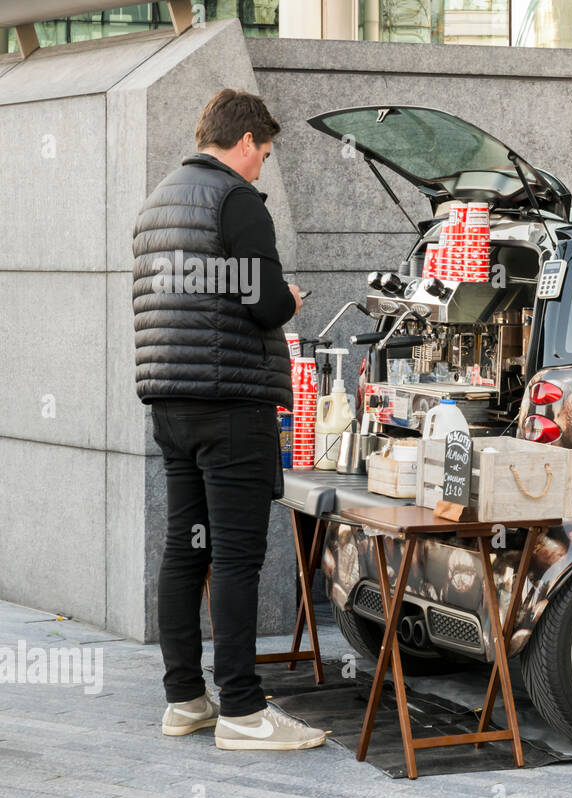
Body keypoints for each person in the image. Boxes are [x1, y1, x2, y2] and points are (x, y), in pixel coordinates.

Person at [132, 88, 326, 751]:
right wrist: (291, 297)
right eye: (264, 154)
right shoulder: (235, 201)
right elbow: (265, 303)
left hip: (171, 401)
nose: (261, 168)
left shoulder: (159, 200)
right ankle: (243, 710)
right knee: (239, 557)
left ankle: (185, 698)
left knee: (185, 551)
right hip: (230, 402)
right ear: (245, 141)